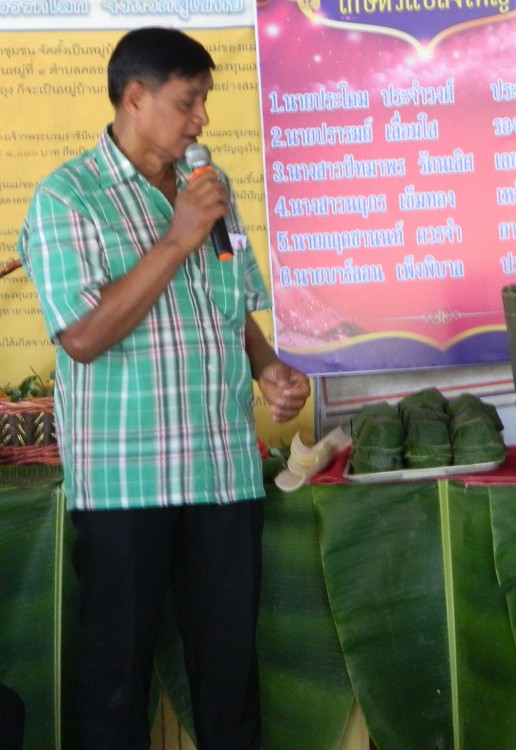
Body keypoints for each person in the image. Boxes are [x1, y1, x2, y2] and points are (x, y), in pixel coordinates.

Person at [16, 27, 311, 750]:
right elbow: (83, 337)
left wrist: (267, 365)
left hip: (223, 473)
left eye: (206, 99)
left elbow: (230, 299)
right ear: (134, 98)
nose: (202, 119)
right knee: (115, 687)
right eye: (188, 102)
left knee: (230, 686)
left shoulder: (209, 186)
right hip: (126, 483)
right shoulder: (66, 198)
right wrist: (177, 238)